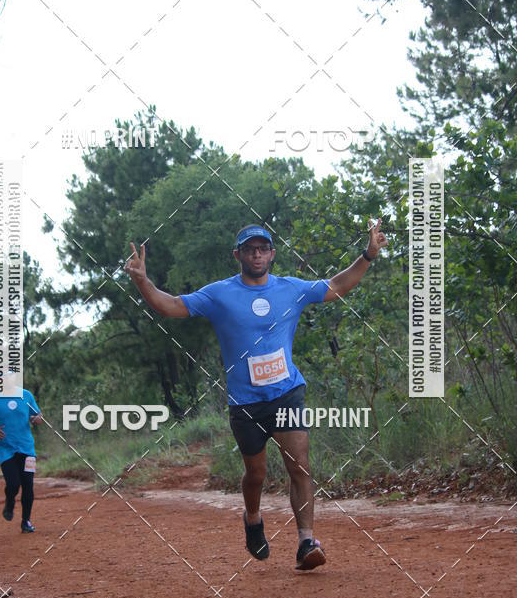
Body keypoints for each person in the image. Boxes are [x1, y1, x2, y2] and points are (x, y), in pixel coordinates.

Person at [125, 220, 388, 570]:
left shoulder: (290, 288)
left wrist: (368, 254)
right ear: (238, 255)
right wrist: (143, 281)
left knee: (300, 465)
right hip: (246, 403)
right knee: (256, 474)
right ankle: (252, 518)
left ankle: (306, 541)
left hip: (286, 393)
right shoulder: (219, 294)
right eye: (250, 249)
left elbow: (338, 285)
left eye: (263, 248)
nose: (257, 254)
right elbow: (172, 306)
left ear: (272, 254)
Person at [0, 388, 43, 533]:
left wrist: (37, 418)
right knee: (13, 484)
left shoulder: (26, 395)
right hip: (6, 449)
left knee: (28, 485)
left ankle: (26, 521)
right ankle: (10, 502)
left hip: (28, 449)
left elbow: (38, 415)